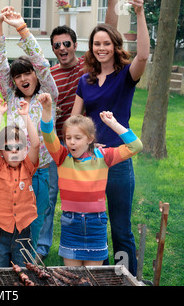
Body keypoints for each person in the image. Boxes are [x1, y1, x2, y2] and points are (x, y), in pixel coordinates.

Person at [71, 0, 149, 275]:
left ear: (115, 46)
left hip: (117, 162)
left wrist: (139, 12)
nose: (101, 48)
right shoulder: (85, 81)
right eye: (96, 44)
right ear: (91, 48)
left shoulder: (125, 76)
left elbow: (142, 55)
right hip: (90, 164)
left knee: (120, 228)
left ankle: (126, 277)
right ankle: (101, 276)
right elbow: (74, 121)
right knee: (93, 224)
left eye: (106, 44)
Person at [39, 0, 118, 260]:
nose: (62, 48)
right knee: (51, 198)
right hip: (60, 145)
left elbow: (109, 33)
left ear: (75, 45)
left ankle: (96, 250)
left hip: (87, 144)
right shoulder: (49, 75)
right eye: (56, 45)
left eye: (66, 43)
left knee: (92, 198)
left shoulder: (88, 65)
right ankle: (42, 247)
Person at [39, 93, 143, 266]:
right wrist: (47, 109)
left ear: (90, 139)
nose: (71, 142)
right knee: (74, 278)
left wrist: (113, 124)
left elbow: (136, 146)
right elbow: (48, 134)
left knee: (93, 278)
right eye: (68, 138)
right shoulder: (62, 157)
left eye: (77, 138)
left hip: (96, 224)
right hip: (70, 224)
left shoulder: (103, 156)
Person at [0, 7, 58, 251]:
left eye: (27, 73)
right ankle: (14, 257)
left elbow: (41, 62)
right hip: (15, 170)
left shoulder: (48, 93)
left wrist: (21, 28)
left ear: (36, 76)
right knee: (13, 216)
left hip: (42, 169)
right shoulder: (11, 97)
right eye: (17, 76)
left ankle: (30, 258)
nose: (22, 79)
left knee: (38, 216)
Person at [0, 98, 40, 267]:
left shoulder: (28, 167)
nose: (14, 151)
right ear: (1, 151)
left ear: (25, 150)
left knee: (22, 271)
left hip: (23, 229)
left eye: (19, 147)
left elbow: (36, 144)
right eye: (8, 148)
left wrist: (26, 116)